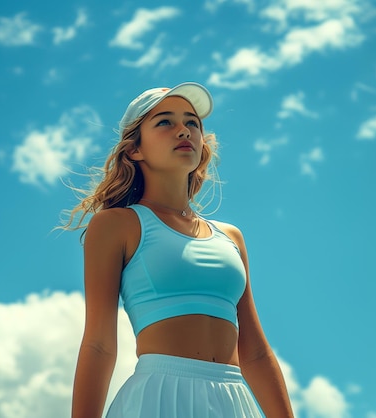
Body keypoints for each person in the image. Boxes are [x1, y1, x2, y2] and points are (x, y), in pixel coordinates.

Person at [64, 82, 294, 417]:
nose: (183, 130)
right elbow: (99, 344)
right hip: (158, 396)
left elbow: (255, 351)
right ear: (134, 150)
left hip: (235, 402)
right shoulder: (116, 225)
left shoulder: (230, 237)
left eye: (192, 123)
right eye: (165, 122)